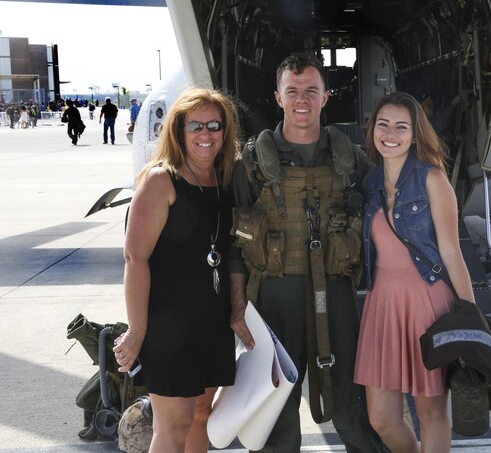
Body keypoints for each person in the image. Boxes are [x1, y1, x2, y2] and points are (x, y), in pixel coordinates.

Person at [230, 52, 386, 453]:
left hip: (336, 294)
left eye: (311, 91)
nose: (303, 100)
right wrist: (236, 308)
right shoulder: (250, 163)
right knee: (276, 410)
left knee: (352, 405)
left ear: (326, 96)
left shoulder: (350, 158)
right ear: (278, 98)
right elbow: (232, 244)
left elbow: (387, 213)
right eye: (293, 91)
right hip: (273, 299)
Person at [112, 88, 254, 453]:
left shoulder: (227, 181)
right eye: (196, 126)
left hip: (213, 322)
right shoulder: (161, 180)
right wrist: (137, 330)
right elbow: (135, 258)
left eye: (214, 125)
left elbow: (237, 248)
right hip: (168, 327)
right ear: (179, 130)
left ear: (225, 131)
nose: (206, 135)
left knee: (201, 415)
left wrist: (237, 307)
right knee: (172, 427)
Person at [354, 91, 477, 453]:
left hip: (427, 300)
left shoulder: (432, 179)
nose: (390, 133)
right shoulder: (370, 184)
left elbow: (453, 252)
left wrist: (470, 316)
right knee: (382, 418)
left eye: (401, 126)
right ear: (373, 129)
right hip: (382, 304)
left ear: (414, 133)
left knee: (430, 412)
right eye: (383, 124)